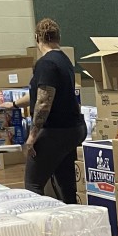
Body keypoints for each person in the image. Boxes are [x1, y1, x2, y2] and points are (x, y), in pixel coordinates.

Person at [24, 18, 87, 203]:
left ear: (37, 37)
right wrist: (13, 104)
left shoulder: (46, 63)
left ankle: (37, 218)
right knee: (66, 183)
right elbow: (40, 93)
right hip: (73, 129)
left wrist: (32, 136)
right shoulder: (64, 61)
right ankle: (72, 215)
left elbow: (44, 101)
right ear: (59, 37)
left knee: (33, 184)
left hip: (55, 131)